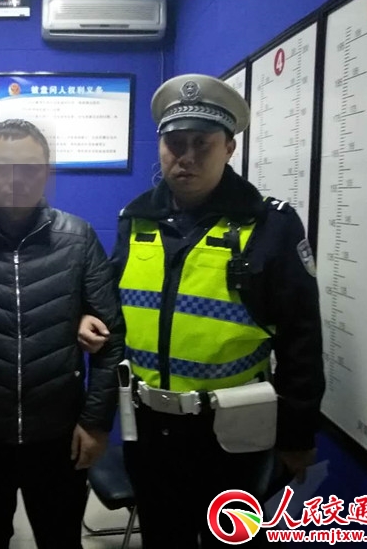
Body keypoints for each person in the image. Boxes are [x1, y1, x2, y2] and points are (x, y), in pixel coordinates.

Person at [80, 74, 325, 548]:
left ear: (229, 148)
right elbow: (113, 302)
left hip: (232, 433)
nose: (186, 156)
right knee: (162, 538)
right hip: (148, 429)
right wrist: (84, 317)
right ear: (160, 147)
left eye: (202, 143)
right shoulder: (136, 218)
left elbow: (302, 338)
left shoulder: (270, 224)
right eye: (175, 143)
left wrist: (298, 436)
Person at [0, 119, 124, 549]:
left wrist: (96, 423)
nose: (16, 179)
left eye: (29, 167)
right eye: (2, 167)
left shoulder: (78, 239)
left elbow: (111, 338)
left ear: (47, 171)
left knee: (60, 540)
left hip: (60, 435)